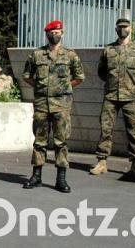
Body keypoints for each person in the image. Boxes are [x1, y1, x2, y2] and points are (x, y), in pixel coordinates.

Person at [22, 20, 84, 193]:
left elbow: (79, 77)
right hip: (42, 104)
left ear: (62, 33)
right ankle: (36, 176)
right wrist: (41, 87)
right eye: (52, 32)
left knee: (61, 142)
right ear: (46, 34)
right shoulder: (37, 55)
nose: (55, 34)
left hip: (62, 105)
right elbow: (27, 75)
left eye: (58, 32)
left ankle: (61, 179)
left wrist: (65, 88)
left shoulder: (70, 55)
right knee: (39, 141)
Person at [90, 18, 135, 177]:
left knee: (134, 131)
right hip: (111, 96)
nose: (122, 29)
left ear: (130, 29)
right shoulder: (108, 50)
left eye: (125, 27)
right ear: (116, 29)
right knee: (105, 129)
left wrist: (134, 84)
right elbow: (102, 72)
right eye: (120, 27)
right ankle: (102, 162)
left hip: (131, 97)